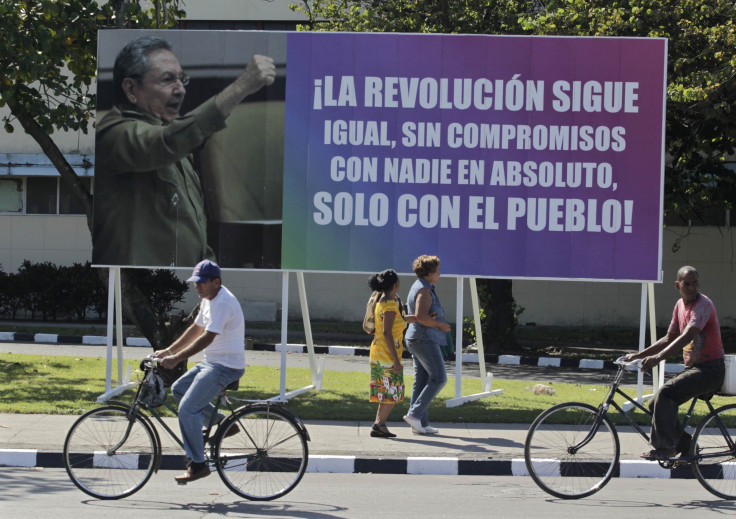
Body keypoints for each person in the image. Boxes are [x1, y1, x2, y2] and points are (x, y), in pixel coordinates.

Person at [93, 36, 276, 267]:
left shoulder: (168, 131)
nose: (180, 90)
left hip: (184, 285)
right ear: (131, 89)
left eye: (182, 79)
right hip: (142, 287)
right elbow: (167, 141)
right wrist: (242, 86)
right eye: (167, 80)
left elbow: (189, 224)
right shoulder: (114, 133)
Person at [153, 259, 246, 483]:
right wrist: (168, 350)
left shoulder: (223, 302)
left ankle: (198, 465)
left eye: (202, 283)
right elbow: (196, 328)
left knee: (187, 409)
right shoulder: (208, 299)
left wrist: (176, 359)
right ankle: (225, 423)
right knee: (179, 389)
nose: (197, 286)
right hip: (212, 362)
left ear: (217, 282)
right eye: (195, 282)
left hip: (226, 366)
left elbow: (207, 337)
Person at [624, 266, 725, 460]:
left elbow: (687, 336)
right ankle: (687, 446)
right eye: (686, 284)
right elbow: (670, 337)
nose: (691, 288)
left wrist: (657, 359)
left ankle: (666, 448)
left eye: (695, 283)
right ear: (677, 285)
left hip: (710, 370)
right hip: (695, 369)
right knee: (655, 404)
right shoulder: (680, 305)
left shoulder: (703, 305)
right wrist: (639, 355)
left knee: (666, 393)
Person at [403, 255, 452, 435]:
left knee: (422, 380)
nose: (439, 274)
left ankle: (420, 423)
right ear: (430, 273)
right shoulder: (423, 290)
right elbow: (421, 317)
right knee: (439, 378)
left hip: (417, 338)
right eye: (438, 271)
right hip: (424, 339)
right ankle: (414, 415)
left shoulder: (423, 287)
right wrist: (441, 325)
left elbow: (421, 315)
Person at [367, 269, 417, 438]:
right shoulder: (389, 305)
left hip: (382, 351)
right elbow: (387, 332)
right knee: (392, 392)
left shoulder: (384, 300)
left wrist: (418, 318)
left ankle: (379, 425)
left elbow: (400, 320)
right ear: (396, 284)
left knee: (387, 392)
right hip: (386, 354)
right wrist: (396, 360)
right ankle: (378, 424)